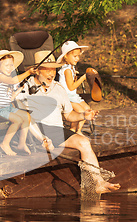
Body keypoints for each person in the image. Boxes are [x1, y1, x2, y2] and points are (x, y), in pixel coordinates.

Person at [20, 50, 120, 194]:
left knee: (84, 142)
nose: (51, 73)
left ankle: (98, 183)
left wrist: (83, 115)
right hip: (34, 131)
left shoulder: (59, 89)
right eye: (47, 69)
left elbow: (68, 115)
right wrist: (40, 137)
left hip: (56, 130)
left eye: (53, 69)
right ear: (37, 70)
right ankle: (95, 183)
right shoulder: (25, 88)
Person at [0, 50, 53, 156]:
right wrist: (28, 72)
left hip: (7, 107)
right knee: (17, 120)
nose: (10, 68)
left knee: (27, 116)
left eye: (11, 65)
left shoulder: (8, 79)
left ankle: (21, 144)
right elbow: (13, 81)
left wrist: (19, 89)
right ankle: (5, 144)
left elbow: (11, 96)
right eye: (6, 65)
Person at [57, 41, 90, 135]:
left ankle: (78, 131)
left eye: (78, 56)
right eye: (75, 56)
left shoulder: (70, 68)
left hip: (72, 95)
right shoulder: (67, 70)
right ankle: (72, 130)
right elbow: (71, 87)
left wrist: (74, 74)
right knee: (81, 112)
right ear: (66, 56)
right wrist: (82, 78)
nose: (77, 58)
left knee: (87, 109)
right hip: (66, 96)